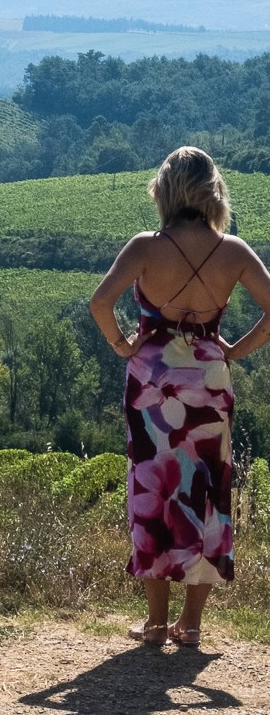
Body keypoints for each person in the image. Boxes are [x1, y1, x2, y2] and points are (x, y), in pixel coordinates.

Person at [90, 146, 270, 647]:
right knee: (207, 494)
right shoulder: (233, 250)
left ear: (165, 190)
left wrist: (124, 344)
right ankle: (191, 626)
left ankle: (153, 624)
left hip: (152, 384)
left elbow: (100, 302)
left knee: (154, 491)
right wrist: (232, 351)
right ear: (214, 191)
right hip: (210, 383)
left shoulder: (146, 247)